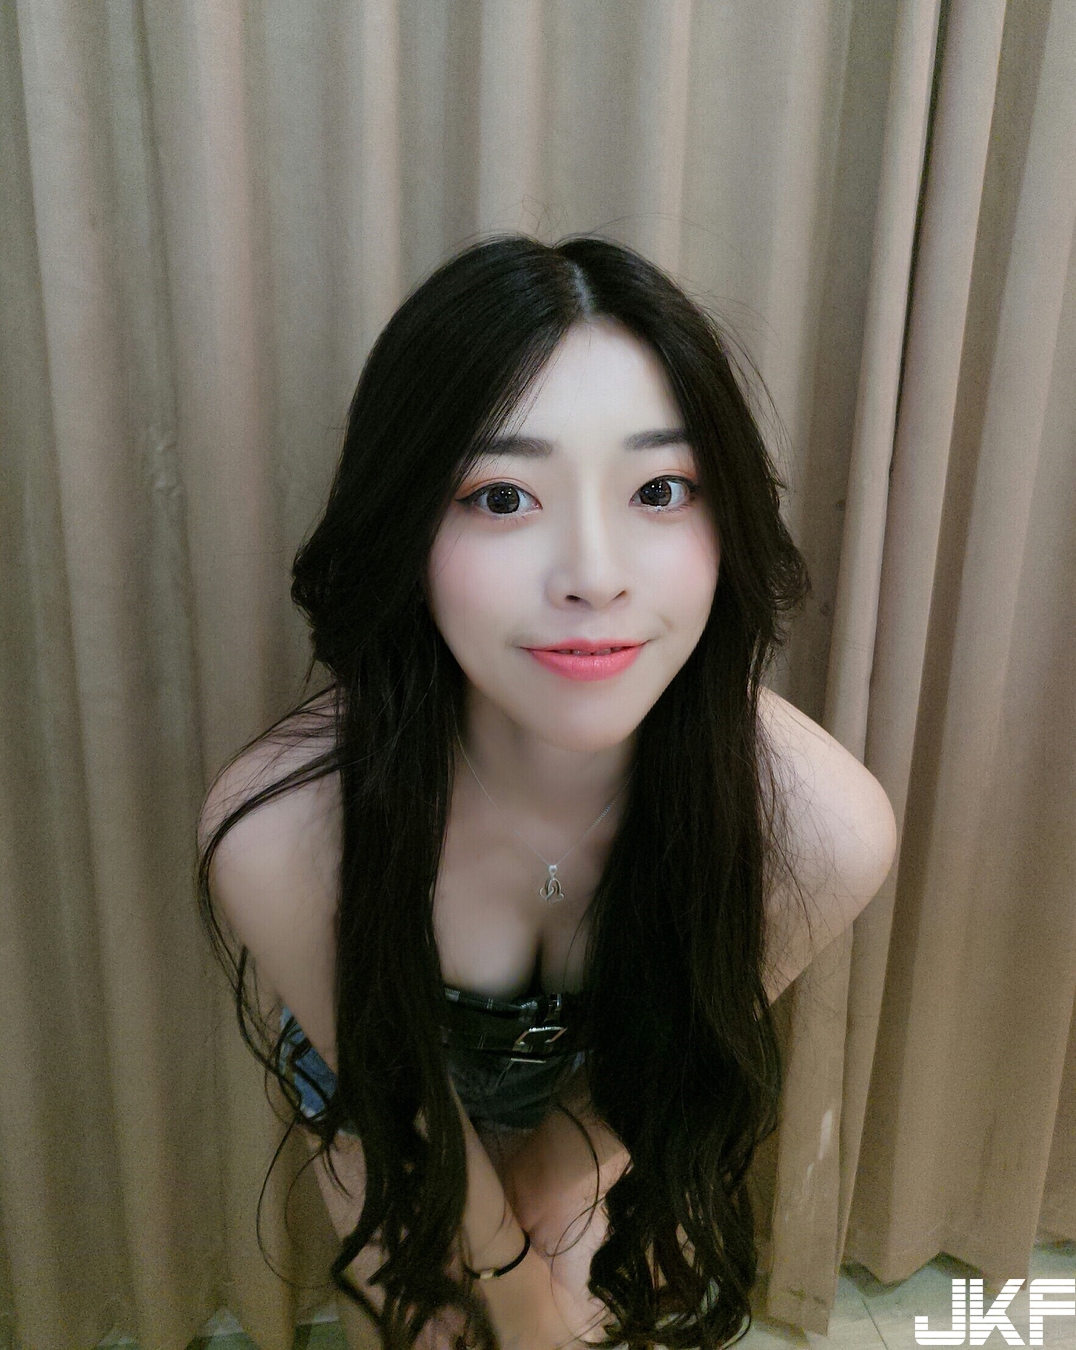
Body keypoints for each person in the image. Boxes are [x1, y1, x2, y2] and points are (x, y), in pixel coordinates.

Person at [196, 234, 896, 1350]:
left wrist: (547, 1237)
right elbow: (402, 1126)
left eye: (661, 490)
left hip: (612, 1093)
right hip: (382, 1104)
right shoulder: (282, 829)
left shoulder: (822, 828)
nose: (593, 576)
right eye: (502, 496)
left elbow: (663, 1067)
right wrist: (510, 1302)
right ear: (406, 527)